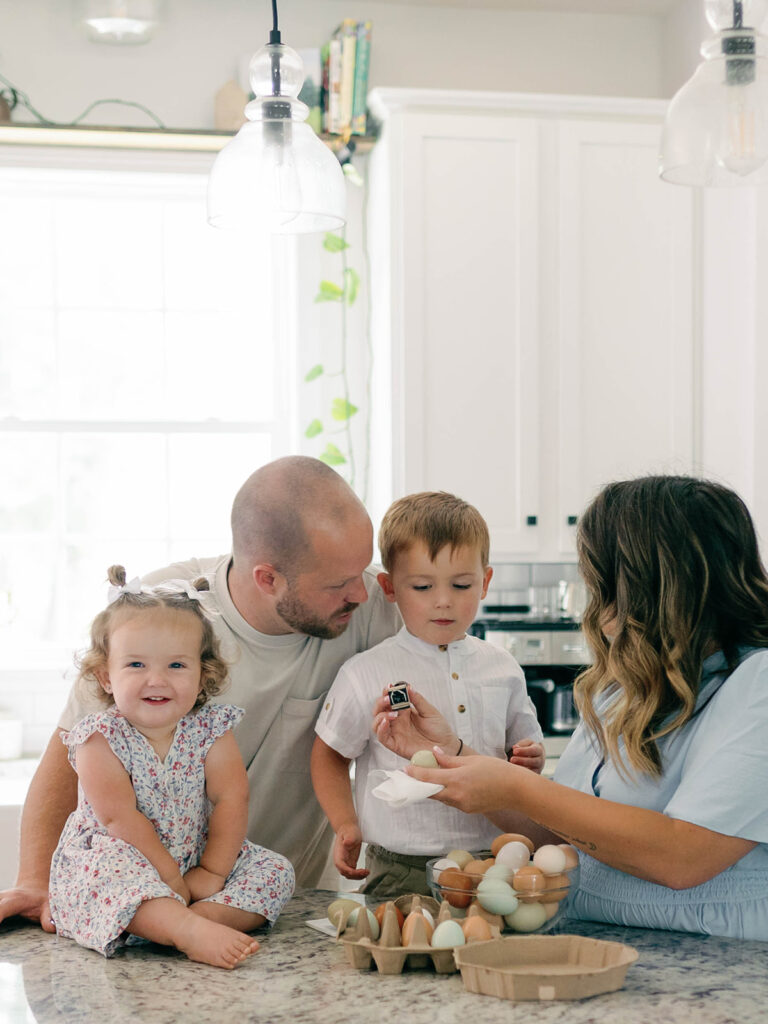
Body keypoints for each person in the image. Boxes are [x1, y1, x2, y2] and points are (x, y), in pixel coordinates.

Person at [0, 457, 400, 932]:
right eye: (339, 583)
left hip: (274, 907)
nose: (362, 591)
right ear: (268, 578)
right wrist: (36, 882)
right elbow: (70, 754)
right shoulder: (160, 614)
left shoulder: (370, 605)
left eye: (361, 569)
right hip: (144, 887)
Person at [378, 477, 768, 940]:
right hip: (596, 940)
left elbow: (685, 856)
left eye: (600, 581)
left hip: (714, 963)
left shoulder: (756, 682)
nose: (596, 603)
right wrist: (457, 757)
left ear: (652, 586)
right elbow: (562, 834)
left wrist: (516, 787)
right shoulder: (622, 688)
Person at [48, 566, 294, 968]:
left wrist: (213, 872)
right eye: (136, 666)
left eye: (177, 666)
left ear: (202, 676)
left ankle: (196, 919)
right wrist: (169, 877)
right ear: (105, 676)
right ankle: (183, 930)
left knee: (275, 871)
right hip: (127, 856)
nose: (157, 680)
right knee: (109, 874)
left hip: (194, 859)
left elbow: (232, 795)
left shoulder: (209, 729)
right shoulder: (98, 738)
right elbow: (118, 818)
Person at [311, 491, 545, 896]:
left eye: (461, 585)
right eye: (421, 586)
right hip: (402, 867)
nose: (443, 601)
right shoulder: (365, 672)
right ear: (389, 587)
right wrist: (345, 823)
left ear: (485, 582)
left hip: (492, 862)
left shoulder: (503, 668)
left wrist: (529, 757)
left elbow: (522, 751)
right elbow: (328, 753)